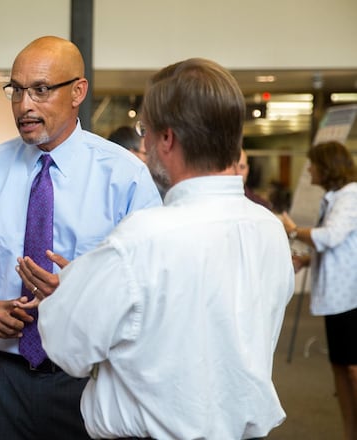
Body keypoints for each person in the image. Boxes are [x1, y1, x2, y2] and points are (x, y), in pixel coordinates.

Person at [18, 58, 295, 438]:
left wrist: (72, 292)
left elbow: (69, 350)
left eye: (144, 131)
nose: (143, 143)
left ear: (167, 139)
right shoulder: (269, 229)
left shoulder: (142, 240)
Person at [0, 36, 161, 439]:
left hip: (89, 377)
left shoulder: (124, 177)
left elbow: (152, 283)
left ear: (78, 92)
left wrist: (80, 291)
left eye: (40, 90)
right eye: (15, 90)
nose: (24, 105)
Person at [280, 140, 357, 440]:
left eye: (312, 164)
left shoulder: (351, 195)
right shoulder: (336, 197)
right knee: (340, 367)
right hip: (336, 298)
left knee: (352, 369)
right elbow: (344, 247)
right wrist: (307, 259)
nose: (309, 169)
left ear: (327, 167)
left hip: (350, 297)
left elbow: (332, 236)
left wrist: (293, 231)